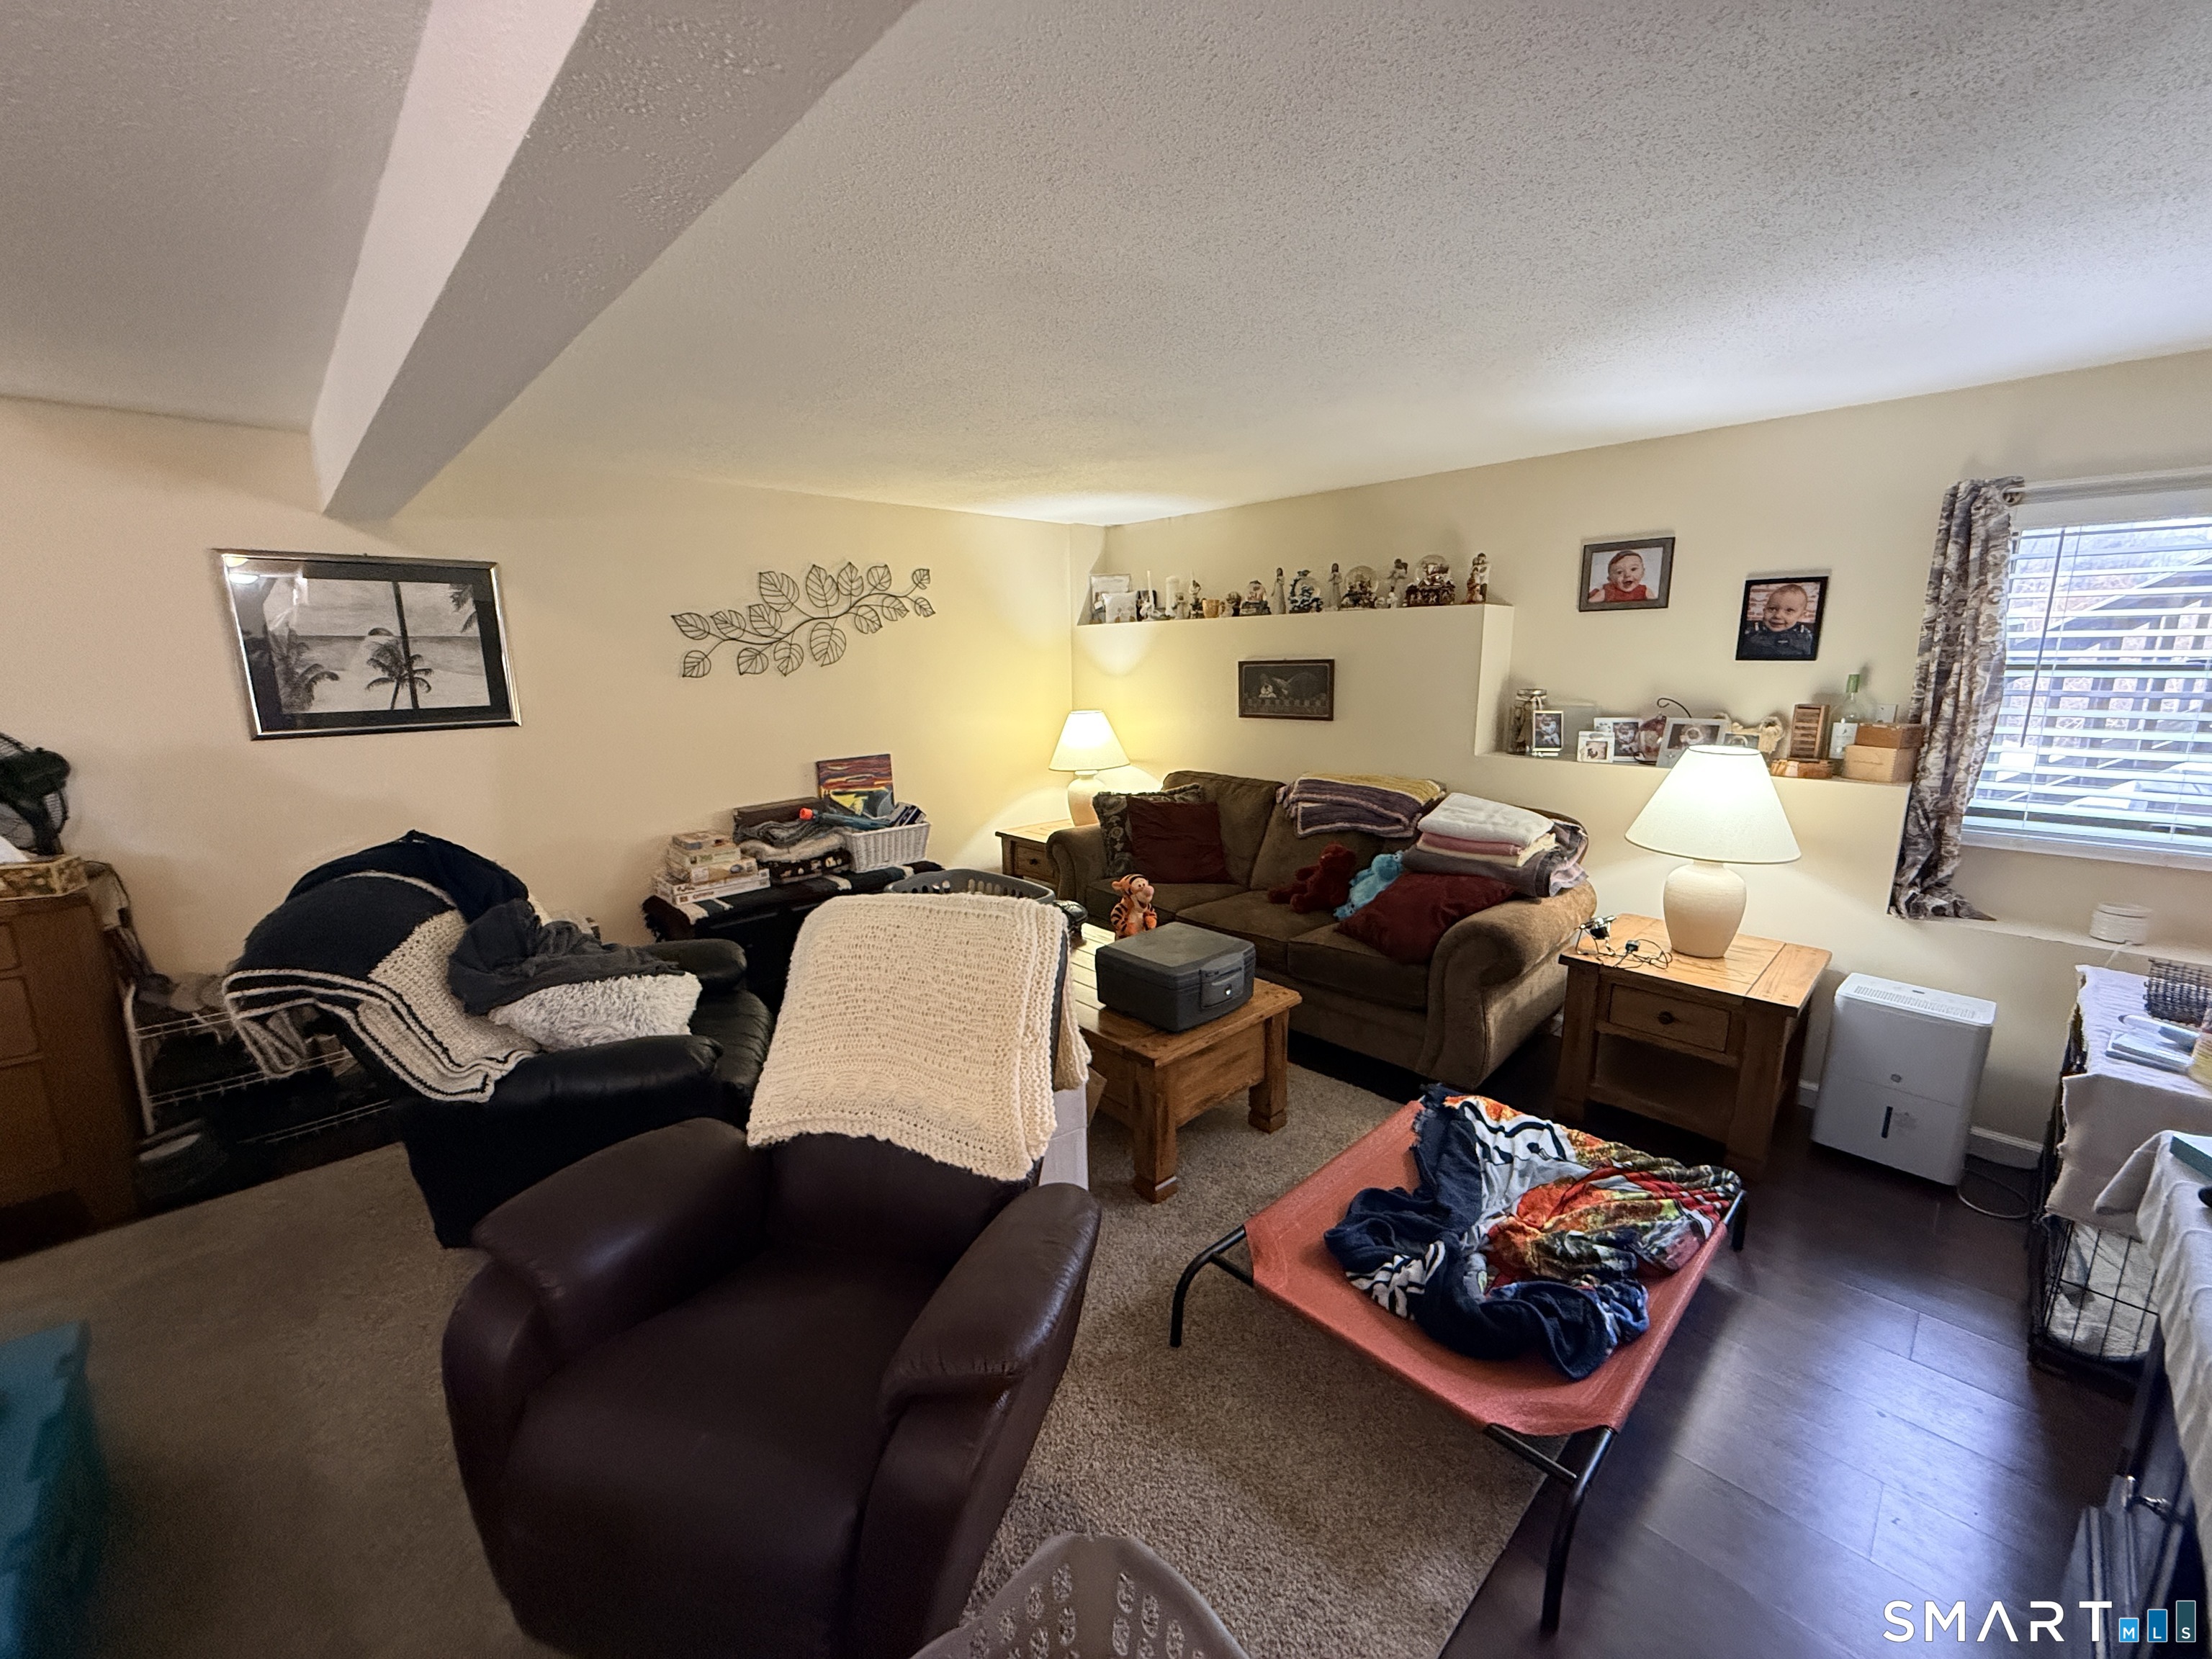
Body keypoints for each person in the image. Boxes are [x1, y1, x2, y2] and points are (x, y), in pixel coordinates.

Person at [1738, 583, 1818, 660]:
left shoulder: (1807, 638)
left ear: (1801, 616)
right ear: (1764, 610)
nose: (1777, 616)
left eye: (1789, 610)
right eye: (1772, 609)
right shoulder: (1750, 634)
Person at [1588, 549, 1652, 605]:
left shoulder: (1644, 591)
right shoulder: (1607, 592)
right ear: (1610, 580)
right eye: (1619, 572)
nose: (1627, 575)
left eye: (1633, 569)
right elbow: (1588, 606)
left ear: (1643, 572)